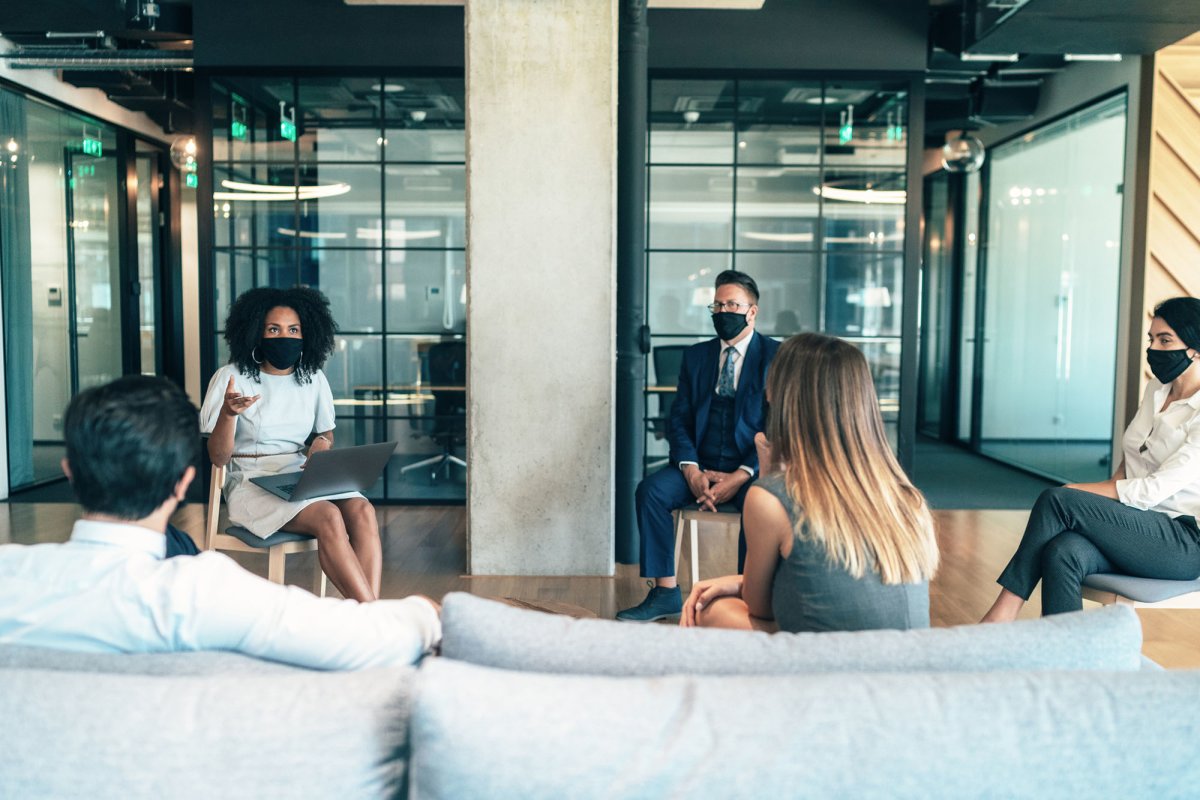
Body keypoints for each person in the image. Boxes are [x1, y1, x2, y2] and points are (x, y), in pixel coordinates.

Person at [0, 376, 440, 669]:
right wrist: (426, 612)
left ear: (70, 472)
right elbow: (374, 642)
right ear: (183, 481)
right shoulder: (212, 593)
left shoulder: (10, 575)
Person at [679, 333, 938, 632]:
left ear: (784, 396)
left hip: (828, 663)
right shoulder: (906, 497)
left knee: (710, 608)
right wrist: (735, 581)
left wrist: (769, 473)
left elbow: (759, 605)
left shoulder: (772, 498)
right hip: (905, 664)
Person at [982, 297, 1200, 621]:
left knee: (1057, 499)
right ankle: (1069, 661)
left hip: (1181, 542)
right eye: (1152, 339)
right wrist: (1084, 492)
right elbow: (1128, 465)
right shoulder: (1156, 389)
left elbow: (1153, 490)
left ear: (1196, 348)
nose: (1154, 348)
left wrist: (1074, 494)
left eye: (1165, 340)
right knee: (1062, 551)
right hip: (1133, 525)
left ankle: (1005, 610)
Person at [617, 270, 780, 622]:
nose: (723, 312)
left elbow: (777, 427)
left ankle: (748, 594)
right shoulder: (696, 357)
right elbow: (679, 420)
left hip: (749, 468)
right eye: (717, 305)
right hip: (700, 464)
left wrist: (740, 475)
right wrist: (690, 470)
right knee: (650, 492)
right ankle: (665, 593)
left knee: (760, 504)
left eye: (732, 305)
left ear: (752, 312)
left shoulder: (776, 357)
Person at [201, 287, 381, 603]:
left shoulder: (312, 377)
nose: (285, 336)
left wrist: (320, 447)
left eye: (293, 329)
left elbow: (325, 434)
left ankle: (367, 614)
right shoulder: (230, 377)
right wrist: (229, 414)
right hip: (251, 481)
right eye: (274, 329)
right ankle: (374, 616)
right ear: (256, 332)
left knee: (363, 509)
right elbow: (218, 456)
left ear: (307, 334)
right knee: (328, 516)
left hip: (301, 475)